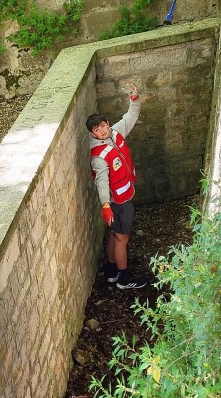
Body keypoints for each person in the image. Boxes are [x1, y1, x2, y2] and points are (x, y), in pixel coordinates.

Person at [86, 84, 147, 290]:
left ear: (107, 124)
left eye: (103, 126)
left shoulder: (115, 132)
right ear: (93, 135)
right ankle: (124, 278)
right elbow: (101, 181)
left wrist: (134, 97)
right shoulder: (98, 156)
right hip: (118, 202)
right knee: (123, 238)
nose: (101, 131)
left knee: (114, 235)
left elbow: (132, 115)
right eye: (96, 130)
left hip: (124, 196)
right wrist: (105, 205)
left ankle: (111, 270)